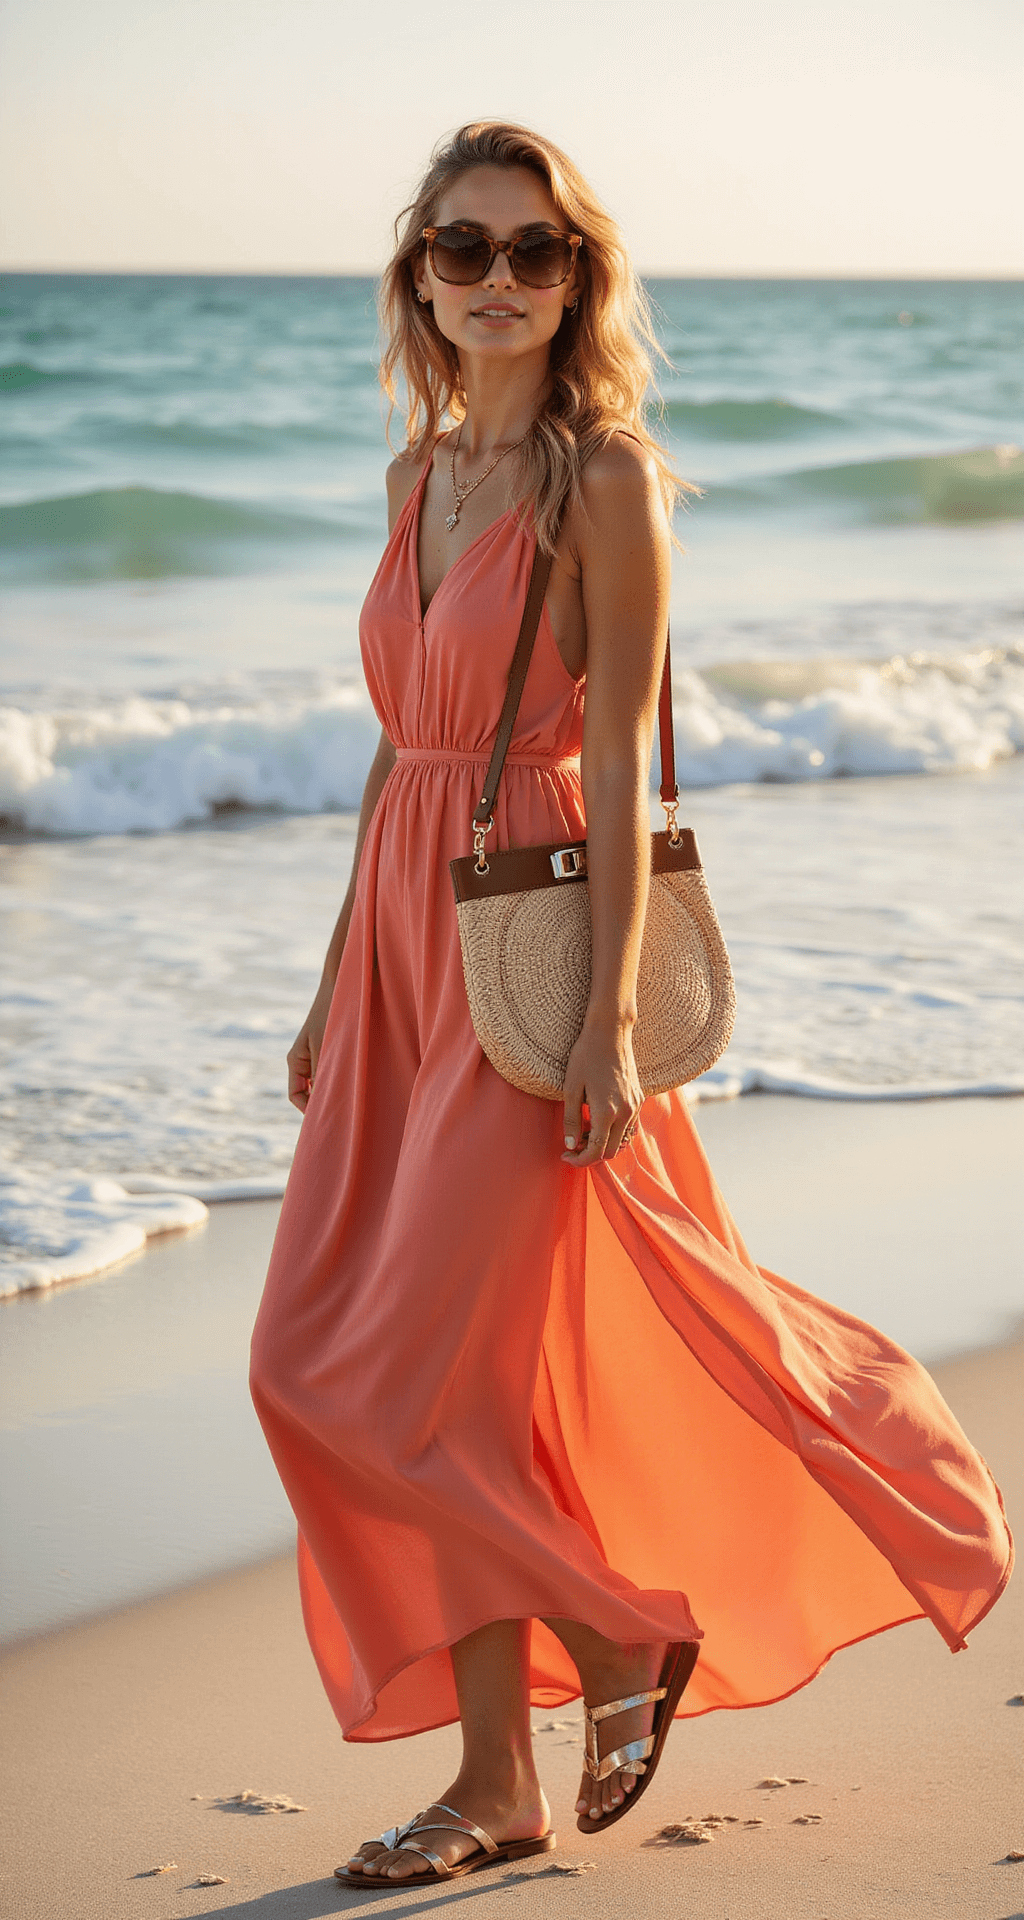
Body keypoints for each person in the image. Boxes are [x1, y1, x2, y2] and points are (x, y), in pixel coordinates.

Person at [250, 122, 1011, 1890]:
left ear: (579, 277)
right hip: (402, 950)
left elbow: (611, 765)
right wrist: (331, 981)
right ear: (418, 274)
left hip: (529, 961)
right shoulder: (416, 471)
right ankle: (520, 1756)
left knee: (408, 1386)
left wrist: (600, 1025)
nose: (498, 280)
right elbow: (397, 752)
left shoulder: (608, 480)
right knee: (323, 1361)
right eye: (464, 249)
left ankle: (596, 1656)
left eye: (536, 251)